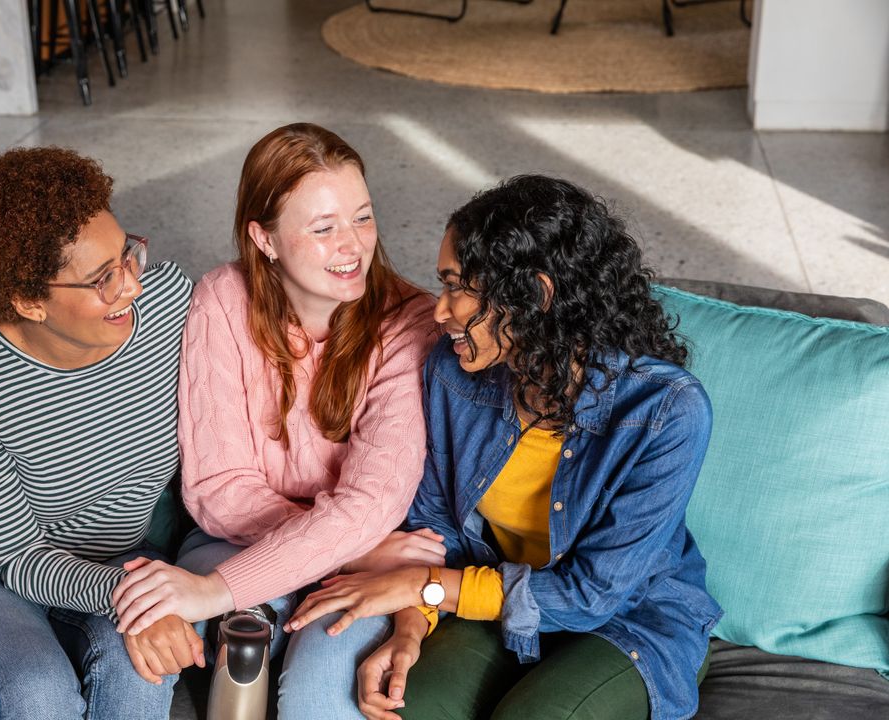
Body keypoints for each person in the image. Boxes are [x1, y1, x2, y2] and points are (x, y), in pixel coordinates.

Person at [286, 175, 723, 720]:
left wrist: (424, 587)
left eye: (457, 287)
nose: (439, 311)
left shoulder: (666, 411)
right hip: (491, 597)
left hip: (629, 622)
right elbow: (436, 525)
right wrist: (412, 626)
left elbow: (591, 596)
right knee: (407, 707)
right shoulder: (452, 374)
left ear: (534, 295)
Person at [109, 123, 441, 717]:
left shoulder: (410, 322)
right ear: (264, 239)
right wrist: (351, 548)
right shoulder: (222, 298)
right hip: (248, 543)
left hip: (367, 552)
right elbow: (218, 491)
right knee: (240, 655)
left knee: (319, 696)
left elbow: (373, 501)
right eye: (323, 228)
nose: (353, 245)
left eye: (363, 218)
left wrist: (347, 546)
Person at [0, 146, 200, 720]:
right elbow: (18, 558)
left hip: (119, 563)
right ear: (30, 302)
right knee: (37, 688)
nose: (131, 287)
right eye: (102, 278)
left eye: (128, 255)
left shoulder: (170, 305)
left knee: (141, 677)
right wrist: (130, 598)